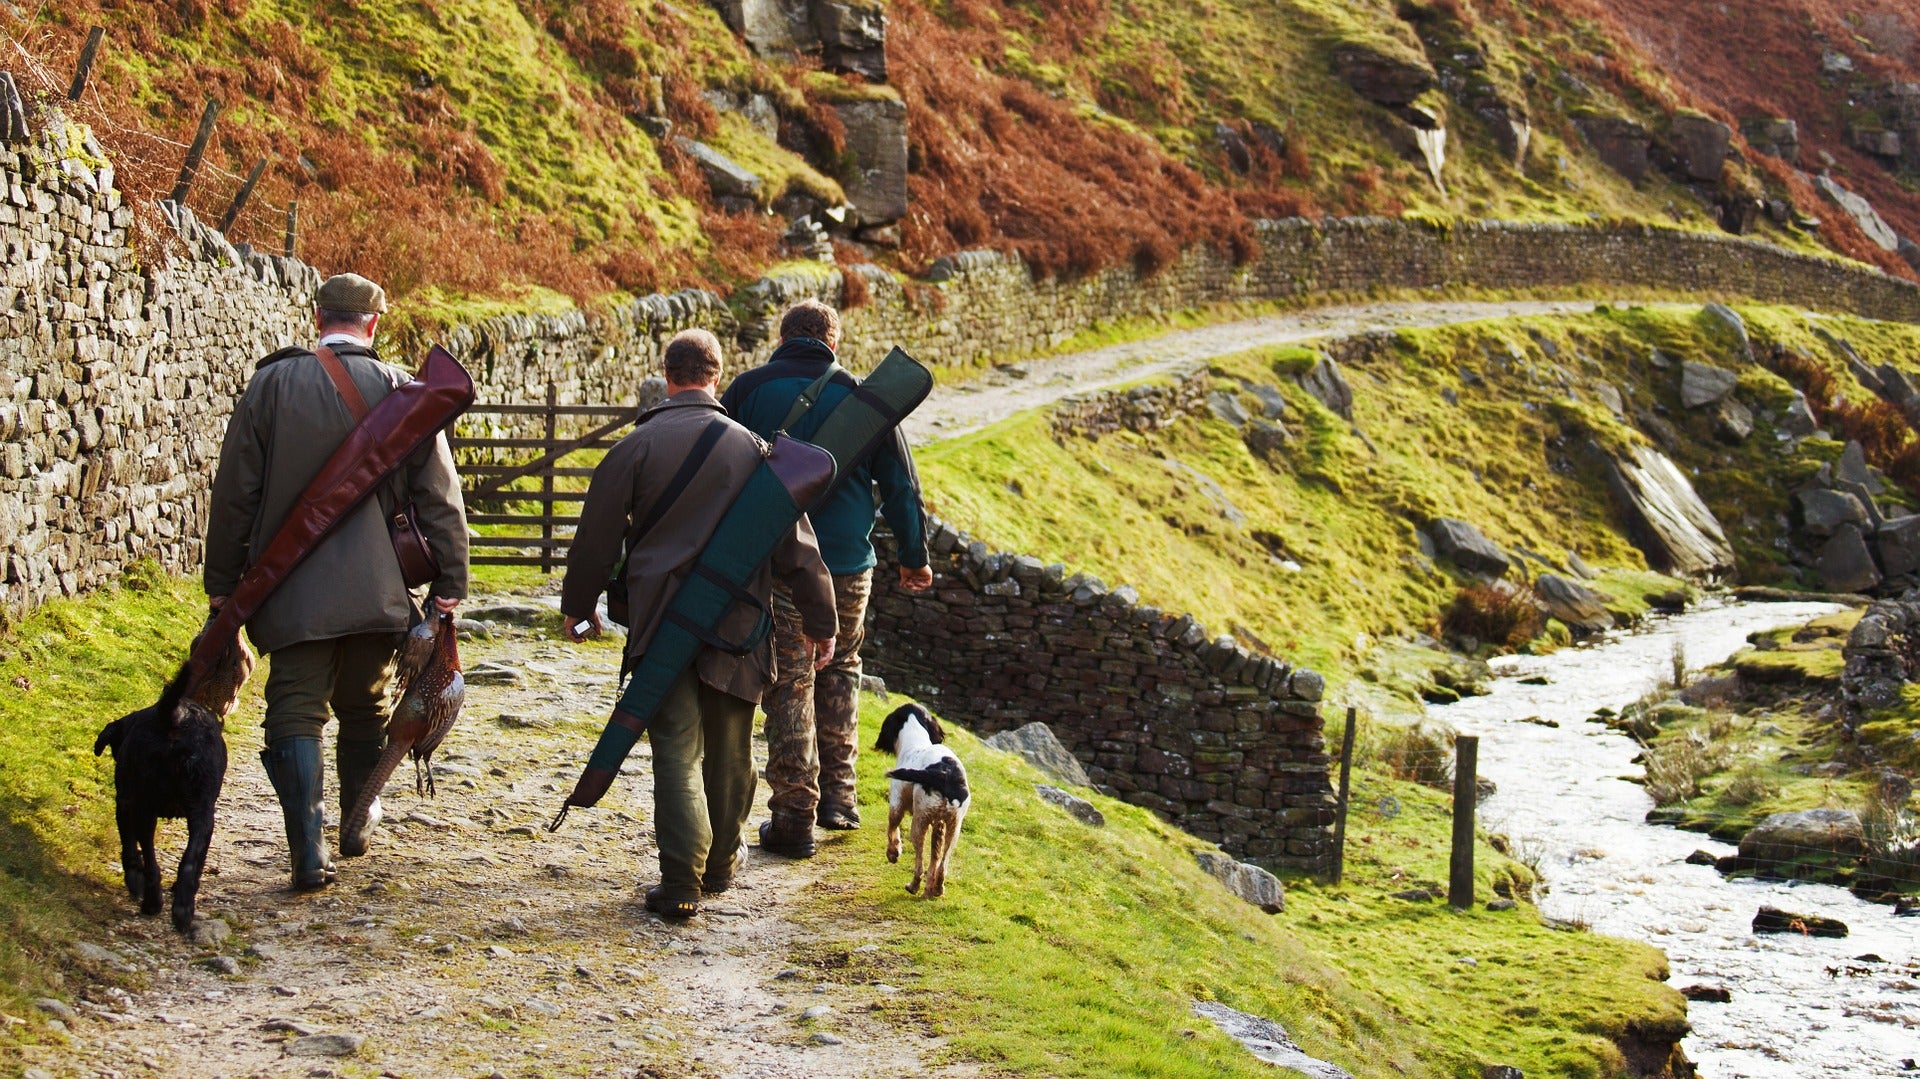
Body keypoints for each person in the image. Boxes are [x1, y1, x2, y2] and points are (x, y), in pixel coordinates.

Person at [561, 327, 837, 918]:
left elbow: (595, 541)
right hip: (737, 626)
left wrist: (578, 607)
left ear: (668, 376)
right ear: (717, 376)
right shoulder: (755, 451)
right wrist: (823, 622)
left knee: (675, 751)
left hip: (661, 623)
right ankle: (719, 866)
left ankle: (681, 882)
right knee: (732, 752)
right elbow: (799, 550)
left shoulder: (634, 447)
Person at [205, 272, 469, 890]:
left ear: (316, 315)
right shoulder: (403, 390)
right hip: (380, 593)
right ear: (374, 323)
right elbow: (440, 497)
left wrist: (224, 586)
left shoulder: (271, 384)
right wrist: (449, 584)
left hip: (290, 592)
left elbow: (235, 493)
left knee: (294, 713)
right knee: (365, 705)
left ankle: (307, 850)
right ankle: (357, 819)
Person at [720, 299, 933, 857]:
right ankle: (839, 799)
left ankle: (795, 813)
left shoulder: (746, 390)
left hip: (779, 559)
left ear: (783, 337)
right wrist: (914, 557)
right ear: (833, 342)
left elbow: (718, 467)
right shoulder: (865, 400)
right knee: (841, 668)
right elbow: (902, 487)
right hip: (846, 563)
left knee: (791, 677)